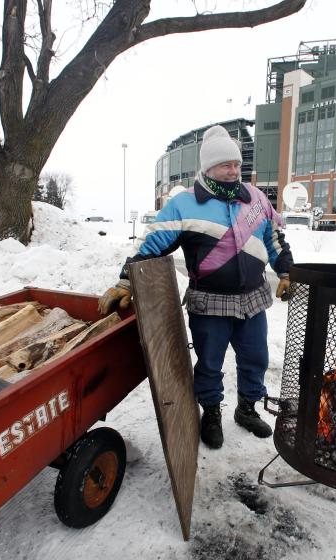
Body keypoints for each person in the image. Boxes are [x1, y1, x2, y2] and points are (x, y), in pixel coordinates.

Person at [98, 125, 293, 450]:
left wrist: (285, 271)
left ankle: (247, 408)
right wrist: (126, 280)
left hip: (252, 301)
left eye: (236, 164)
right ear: (207, 168)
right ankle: (212, 413)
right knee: (210, 362)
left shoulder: (256, 199)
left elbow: (274, 239)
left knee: (256, 357)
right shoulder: (184, 205)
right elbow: (153, 244)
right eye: (224, 165)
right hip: (210, 303)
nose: (233, 171)